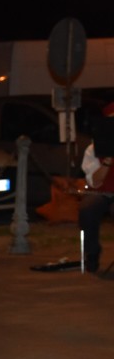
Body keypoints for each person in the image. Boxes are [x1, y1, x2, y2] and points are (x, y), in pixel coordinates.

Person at [77, 102, 114, 273]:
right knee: (88, 208)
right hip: (103, 192)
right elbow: (95, 182)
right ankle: (92, 253)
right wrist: (108, 159)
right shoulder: (93, 149)